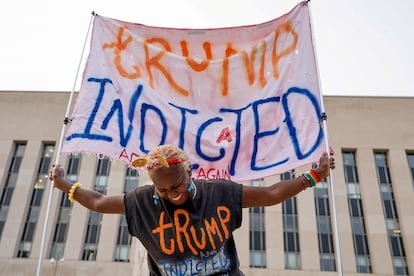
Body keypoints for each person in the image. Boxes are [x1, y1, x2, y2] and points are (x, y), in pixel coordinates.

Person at [50, 144, 335, 275]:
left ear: (191, 173)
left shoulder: (219, 193)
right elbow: (98, 202)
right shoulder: (141, 201)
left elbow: (271, 194)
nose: (172, 195)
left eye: (177, 186)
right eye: (162, 191)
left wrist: (315, 175)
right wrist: (64, 185)